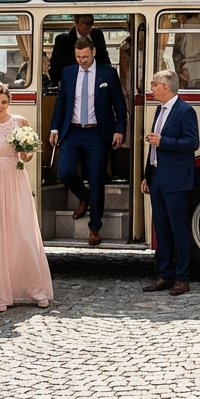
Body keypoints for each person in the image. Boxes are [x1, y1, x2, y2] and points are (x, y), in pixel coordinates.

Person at [0, 83, 53, 312]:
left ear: (10, 102)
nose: (0, 106)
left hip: (15, 179)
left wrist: (26, 154)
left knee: (23, 232)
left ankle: (35, 289)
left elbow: (26, 156)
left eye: (4, 102)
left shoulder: (20, 122)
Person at [49, 36, 126, 247]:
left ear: (93, 52)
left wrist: (119, 130)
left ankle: (94, 228)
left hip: (97, 133)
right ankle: (84, 197)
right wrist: (54, 127)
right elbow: (61, 102)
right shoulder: (69, 72)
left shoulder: (108, 73)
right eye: (78, 56)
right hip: (72, 131)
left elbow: (119, 103)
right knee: (64, 171)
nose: (81, 60)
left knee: (96, 178)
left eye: (84, 56)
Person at [138, 69, 199, 295]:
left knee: (178, 229)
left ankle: (182, 278)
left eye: (154, 84)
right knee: (161, 229)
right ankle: (165, 274)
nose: (151, 88)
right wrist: (148, 174)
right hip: (158, 178)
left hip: (177, 180)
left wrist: (164, 141)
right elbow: (153, 146)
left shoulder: (185, 111)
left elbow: (192, 143)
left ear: (166, 86)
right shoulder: (159, 110)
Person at [49, 14, 110, 86]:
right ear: (76, 22)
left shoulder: (97, 35)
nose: (88, 26)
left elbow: (105, 59)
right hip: (72, 81)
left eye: (90, 22)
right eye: (85, 22)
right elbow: (56, 66)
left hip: (96, 81)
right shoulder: (62, 40)